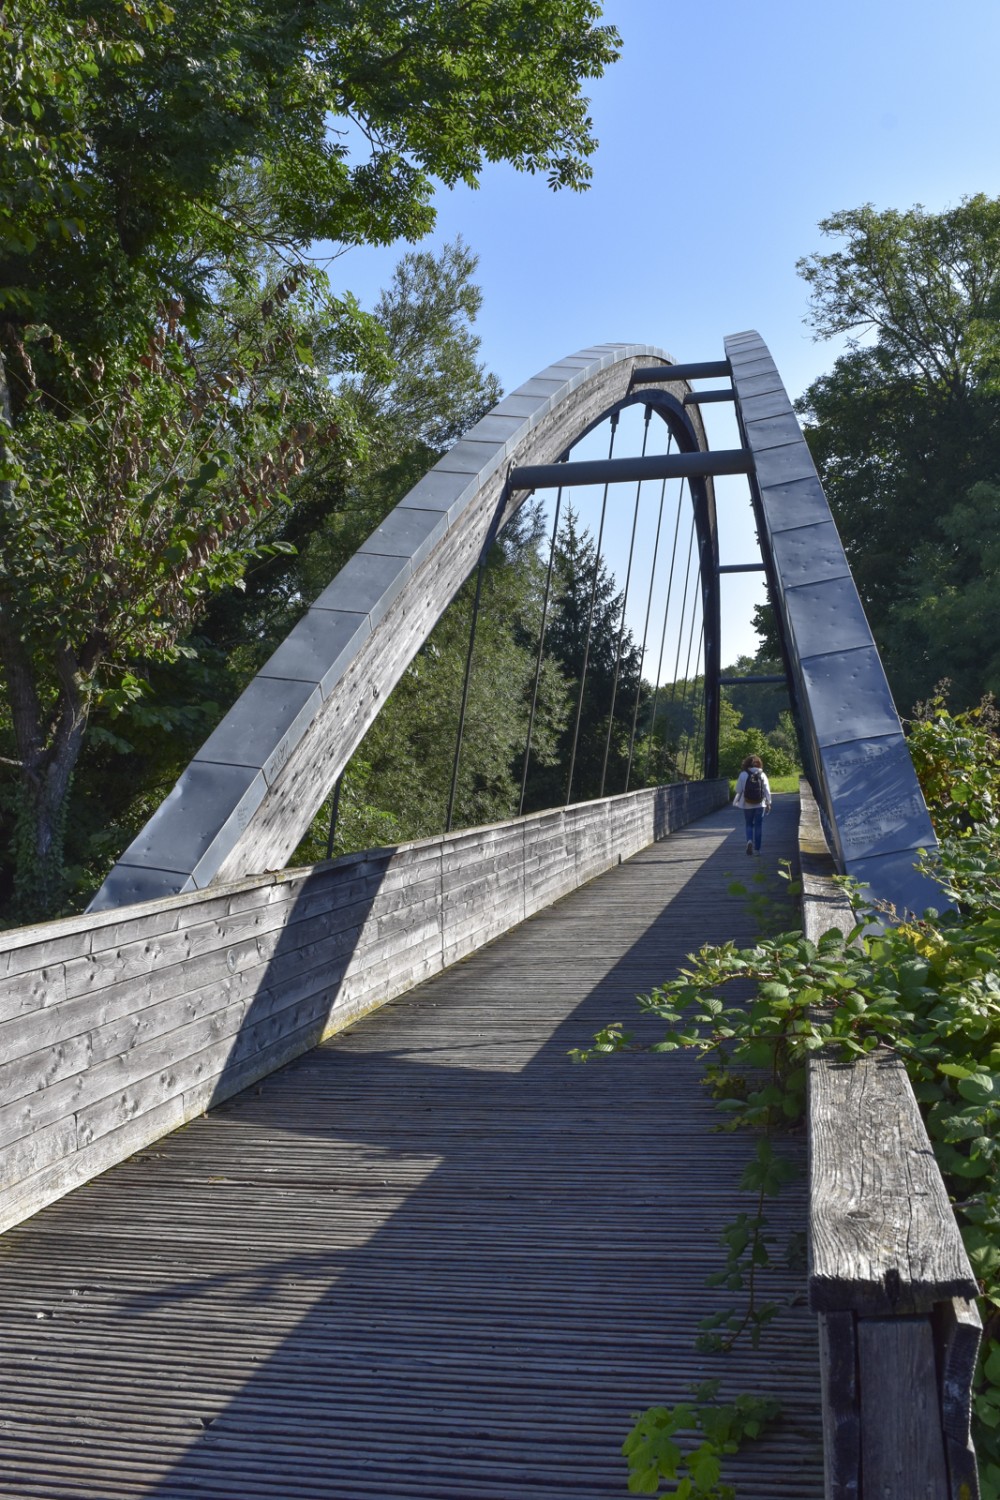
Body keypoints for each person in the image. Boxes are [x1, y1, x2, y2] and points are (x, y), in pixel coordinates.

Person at [733, 754, 772, 855]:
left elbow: (738, 790)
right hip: (760, 803)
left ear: (746, 764)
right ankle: (757, 849)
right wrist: (769, 802)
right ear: (759, 764)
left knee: (749, 824)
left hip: (747, 803)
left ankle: (749, 840)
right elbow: (767, 790)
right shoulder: (762, 774)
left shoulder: (743, 774)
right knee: (758, 826)